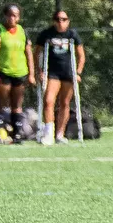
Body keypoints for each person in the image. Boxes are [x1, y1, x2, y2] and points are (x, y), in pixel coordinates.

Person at [34, 10, 85, 145]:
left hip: (68, 73)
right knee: (49, 101)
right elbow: (37, 52)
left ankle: (60, 134)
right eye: (57, 19)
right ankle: (48, 133)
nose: (60, 22)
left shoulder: (72, 35)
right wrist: (39, 71)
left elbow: (81, 55)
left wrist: (78, 72)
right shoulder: (47, 34)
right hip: (52, 73)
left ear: (68, 21)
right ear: (53, 21)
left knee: (65, 103)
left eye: (63, 19)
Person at [0, 4, 32, 144]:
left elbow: (28, 52)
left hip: (20, 72)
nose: (12, 18)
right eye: (9, 15)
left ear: (19, 17)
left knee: (17, 104)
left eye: (15, 15)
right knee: (1, 102)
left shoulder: (22, 31)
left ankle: (17, 133)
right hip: (3, 71)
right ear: (5, 16)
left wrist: (31, 74)